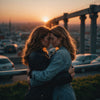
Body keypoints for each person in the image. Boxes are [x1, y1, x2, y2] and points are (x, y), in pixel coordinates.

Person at [22, 25, 75, 100]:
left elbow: (46, 76)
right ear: (41, 39)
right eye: (49, 38)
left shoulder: (60, 54)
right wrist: (67, 76)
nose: (50, 41)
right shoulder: (58, 52)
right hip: (60, 92)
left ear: (60, 38)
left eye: (52, 38)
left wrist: (31, 73)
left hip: (61, 94)